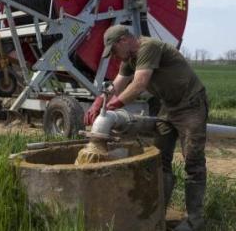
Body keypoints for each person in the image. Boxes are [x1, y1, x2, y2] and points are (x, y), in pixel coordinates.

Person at [85, 25, 208, 231]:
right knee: (159, 159)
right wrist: (98, 102)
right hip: (168, 108)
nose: (114, 56)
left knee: (193, 160)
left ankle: (195, 219)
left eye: (114, 50)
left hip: (191, 105)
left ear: (124, 40)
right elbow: (117, 85)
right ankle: (159, 210)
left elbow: (140, 83)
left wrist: (114, 106)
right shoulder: (129, 59)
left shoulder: (148, 47)